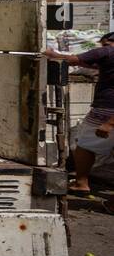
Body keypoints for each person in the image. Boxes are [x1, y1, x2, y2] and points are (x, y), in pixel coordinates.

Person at [44, 31, 114, 196]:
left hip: (106, 110)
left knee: (84, 144)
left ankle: (81, 182)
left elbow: (71, 60)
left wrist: (50, 53)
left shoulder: (107, 51)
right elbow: (95, 65)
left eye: (103, 43)